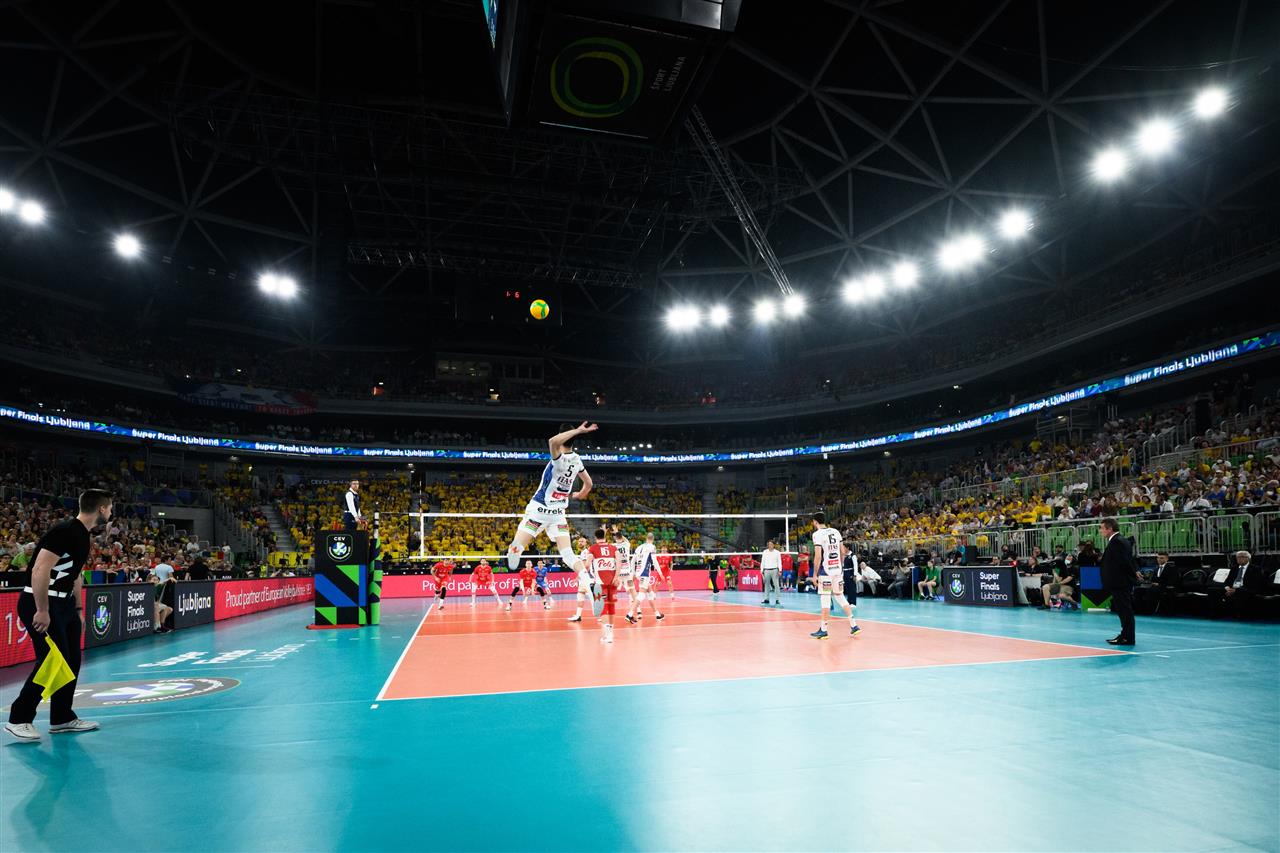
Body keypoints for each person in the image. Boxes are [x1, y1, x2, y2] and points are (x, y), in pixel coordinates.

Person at [6, 489, 113, 742]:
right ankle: (19, 718)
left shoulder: (83, 535)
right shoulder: (65, 531)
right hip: (41, 602)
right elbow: (40, 570)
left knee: (71, 660)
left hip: (65, 605)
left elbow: (75, 574)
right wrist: (42, 610)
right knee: (51, 660)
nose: (111, 512)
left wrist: (78, 609)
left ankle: (62, 718)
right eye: (110, 507)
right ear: (101, 509)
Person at [505, 422, 596, 577]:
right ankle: (586, 578)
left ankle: (515, 551)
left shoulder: (559, 459)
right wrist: (580, 494)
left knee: (516, 548)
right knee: (568, 554)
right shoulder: (577, 460)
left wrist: (578, 431)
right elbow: (589, 484)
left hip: (539, 510)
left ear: (561, 436)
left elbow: (552, 441)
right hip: (558, 514)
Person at [809, 512, 858, 639]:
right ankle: (854, 625)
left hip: (826, 571)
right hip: (838, 570)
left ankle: (824, 630)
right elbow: (842, 552)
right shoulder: (836, 531)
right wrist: (840, 567)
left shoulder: (817, 534)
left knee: (825, 599)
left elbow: (818, 556)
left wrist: (814, 575)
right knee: (840, 596)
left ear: (815, 522)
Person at [1099, 517, 1140, 645]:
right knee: (1123, 610)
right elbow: (1129, 559)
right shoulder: (1120, 540)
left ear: (1110, 529)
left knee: (1124, 610)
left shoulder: (1117, 542)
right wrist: (1135, 571)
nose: (1100, 531)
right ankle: (1126, 635)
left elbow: (1124, 562)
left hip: (1120, 582)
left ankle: (1127, 637)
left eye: (1102, 528)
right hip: (1120, 582)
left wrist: (1133, 573)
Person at [586, 528, 620, 643]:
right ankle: (611, 632)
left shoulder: (592, 548)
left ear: (595, 537)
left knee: (603, 607)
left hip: (600, 582)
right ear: (605, 537)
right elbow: (619, 563)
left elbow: (587, 564)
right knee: (611, 606)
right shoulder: (613, 548)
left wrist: (580, 573)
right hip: (612, 581)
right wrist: (616, 577)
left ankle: (607, 635)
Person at [630, 531, 664, 621]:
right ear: (653, 539)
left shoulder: (639, 547)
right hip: (644, 574)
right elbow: (655, 561)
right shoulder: (652, 547)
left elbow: (632, 561)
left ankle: (657, 614)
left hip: (638, 572)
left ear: (646, 538)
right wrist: (660, 573)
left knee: (650, 593)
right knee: (641, 595)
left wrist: (634, 573)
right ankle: (630, 614)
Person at [1220, 550, 1264, 618]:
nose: (1240, 558)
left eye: (1242, 556)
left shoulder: (1256, 569)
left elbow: (1254, 583)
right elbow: (1227, 581)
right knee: (1212, 590)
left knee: (1240, 592)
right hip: (1232, 588)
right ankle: (1215, 613)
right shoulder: (1234, 568)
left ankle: (1239, 615)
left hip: (1246, 588)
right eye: (1238, 557)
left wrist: (1236, 590)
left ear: (1248, 558)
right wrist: (1227, 588)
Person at [568, 536, 597, 623]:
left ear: (586, 543)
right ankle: (578, 616)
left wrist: (576, 578)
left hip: (588, 578)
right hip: (584, 579)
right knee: (580, 596)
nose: (580, 543)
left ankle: (601, 615)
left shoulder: (585, 552)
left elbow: (585, 567)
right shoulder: (582, 552)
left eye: (582, 541)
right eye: (579, 541)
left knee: (593, 598)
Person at [760, 540, 782, 606]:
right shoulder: (765, 552)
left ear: (773, 545)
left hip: (775, 570)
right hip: (766, 570)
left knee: (776, 585)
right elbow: (762, 561)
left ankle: (777, 599)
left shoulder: (777, 552)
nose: (770, 545)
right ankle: (766, 599)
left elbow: (779, 562)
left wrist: (780, 570)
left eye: (771, 544)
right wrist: (762, 570)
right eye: (769, 544)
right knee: (766, 585)